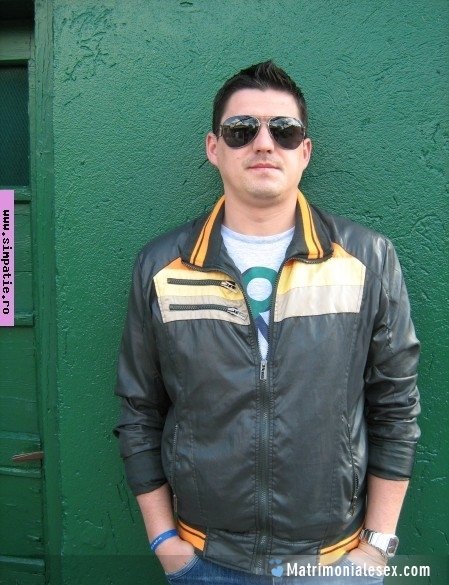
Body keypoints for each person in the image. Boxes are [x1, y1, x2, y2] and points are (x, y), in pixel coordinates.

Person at [114, 61, 420, 584]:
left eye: (284, 130)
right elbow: (139, 409)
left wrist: (376, 549)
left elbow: (396, 405)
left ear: (305, 150)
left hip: (335, 561)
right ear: (214, 148)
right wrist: (166, 543)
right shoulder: (163, 265)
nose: (263, 143)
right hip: (204, 559)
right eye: (241, 130)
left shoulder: (367, 259)